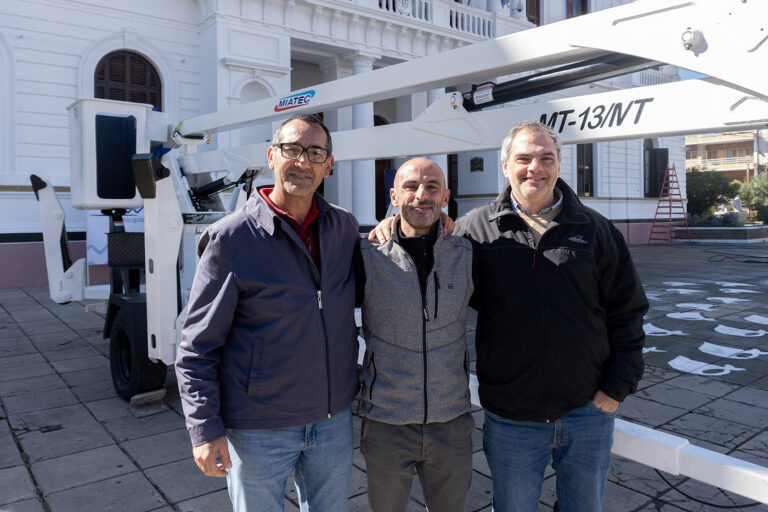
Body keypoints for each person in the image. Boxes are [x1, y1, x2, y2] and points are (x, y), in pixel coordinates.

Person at [453, 120, 648, 512]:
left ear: (559, 165)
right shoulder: (473, 231)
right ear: (505, 165)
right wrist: (394, 227)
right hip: (512, 418)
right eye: (523, 158)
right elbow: (431, 275)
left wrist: (615, 390)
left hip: (586, 412)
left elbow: (627, 311)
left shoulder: (596, 230)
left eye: (546, 158)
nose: (535, 168)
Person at [175, 114, 360, 512]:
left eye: (315, 153)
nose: (303, 162)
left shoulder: (343, 227)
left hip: (332, 421)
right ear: (271, 156)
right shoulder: (231, 237)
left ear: (329, 165)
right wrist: (204, 429)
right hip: (259, 428)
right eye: (292, 150)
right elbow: (197, 345)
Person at [356, 157, 475, 512]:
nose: (421, 195)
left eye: (431, 187)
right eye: (410, 187)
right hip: (386, 423)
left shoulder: (467, 254)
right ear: (393, 195)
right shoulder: (366, 255)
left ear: (446, 197)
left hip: (451, 422)